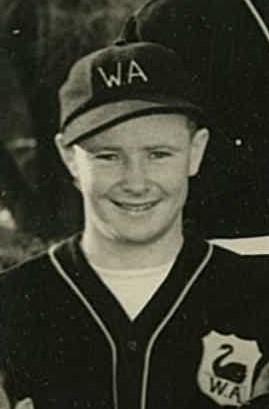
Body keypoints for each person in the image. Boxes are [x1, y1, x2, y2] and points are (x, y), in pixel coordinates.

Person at [1, 40, 269, 409]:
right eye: (108, 156)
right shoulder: (14, 304)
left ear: (196, 151)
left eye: (159, 154)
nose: (136, 182)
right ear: (69, 157)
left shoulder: (256, 295)